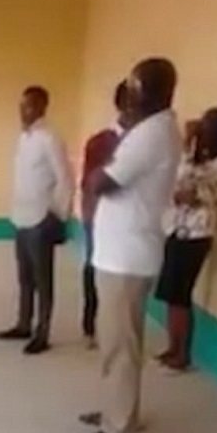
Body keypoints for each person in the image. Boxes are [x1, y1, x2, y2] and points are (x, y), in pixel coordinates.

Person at [74, 58, 181, 433]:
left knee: (121, 345)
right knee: (117, 341)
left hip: (127, 257)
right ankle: (117, 409)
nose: (130, 95)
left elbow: (101, 181)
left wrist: (98, 169)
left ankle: (118, 428)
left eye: (135, 87)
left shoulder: (150, 134)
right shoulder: (154, 129)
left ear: (149, 91)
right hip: (123, 253)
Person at [155, 107, 217, 372]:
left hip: (197, 237)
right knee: (171, 294)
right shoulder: (198, 159)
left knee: (181, 295)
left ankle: (183, 355)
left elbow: (197, 194)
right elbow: (178, 181)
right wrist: (188, 147)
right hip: (177, 230)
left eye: (208, 126)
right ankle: (172, 347)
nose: (203, 129)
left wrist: (185, 190)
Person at [0, 86, 74, 355]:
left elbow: (66, 180)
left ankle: (43, 332)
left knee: (43, 280)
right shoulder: (24, 139)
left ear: (41, 107)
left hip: (41, 219)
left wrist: (58, 216)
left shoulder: (50, 139)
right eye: (21, 105)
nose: (22, 111)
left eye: (28, 106)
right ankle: (23, 324)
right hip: (21, 217)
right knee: (25, 278)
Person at [80, 81, 129, 349]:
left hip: (131, 221)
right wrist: (89, 217)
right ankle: (91, 325)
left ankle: (117, 328)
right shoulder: (100, 142)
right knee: (94, 268)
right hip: (99, 217)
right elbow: (89, 183)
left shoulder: (147, 142)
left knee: (123, 276)